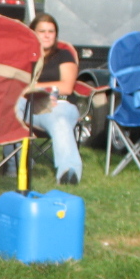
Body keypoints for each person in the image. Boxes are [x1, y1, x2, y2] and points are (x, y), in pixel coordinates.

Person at [9, 13, 83, 184]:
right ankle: (15, 165)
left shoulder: (63, 55)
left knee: (59, 119)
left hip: (59, 104)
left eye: (51, 31)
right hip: (30, 107)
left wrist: (34, 87)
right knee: (11, 105)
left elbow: (66, 86)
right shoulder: (22, 57)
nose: (47, 35)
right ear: (32, 33)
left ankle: (68, 172)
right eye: (42, 31)